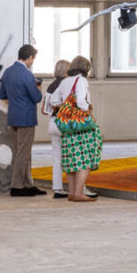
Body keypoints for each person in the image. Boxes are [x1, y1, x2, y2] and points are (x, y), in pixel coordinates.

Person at [0, 44, 45, 197]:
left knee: (22, 152)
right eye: (33, 59)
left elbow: (2, 95)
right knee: (23, 153)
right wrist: (38, 88)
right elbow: (36, 98)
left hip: (13, 116)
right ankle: (17, 186)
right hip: (26, 118)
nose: (32, 62)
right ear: (29, 57)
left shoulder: (8, 72)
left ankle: (28, 184)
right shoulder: (27, 75)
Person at [53, 55, 102, 202]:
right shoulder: (81, 80)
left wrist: (66, 107)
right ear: (86, 68)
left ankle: (72, 192)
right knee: (86, 159)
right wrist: (88, 109)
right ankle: (79, 192)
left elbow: (54, 100)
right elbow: (81, 101)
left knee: (71, 159)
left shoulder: (64, 81)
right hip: (81, 126)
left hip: (67, 126)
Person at [42, 59, 70, 198]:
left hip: (52, 123)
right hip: (64, 123)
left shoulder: (51, 86)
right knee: (72, 156)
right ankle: (77, 188)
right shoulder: (66, 85)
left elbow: (44, 110)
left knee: (57, 158)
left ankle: (58, 189)